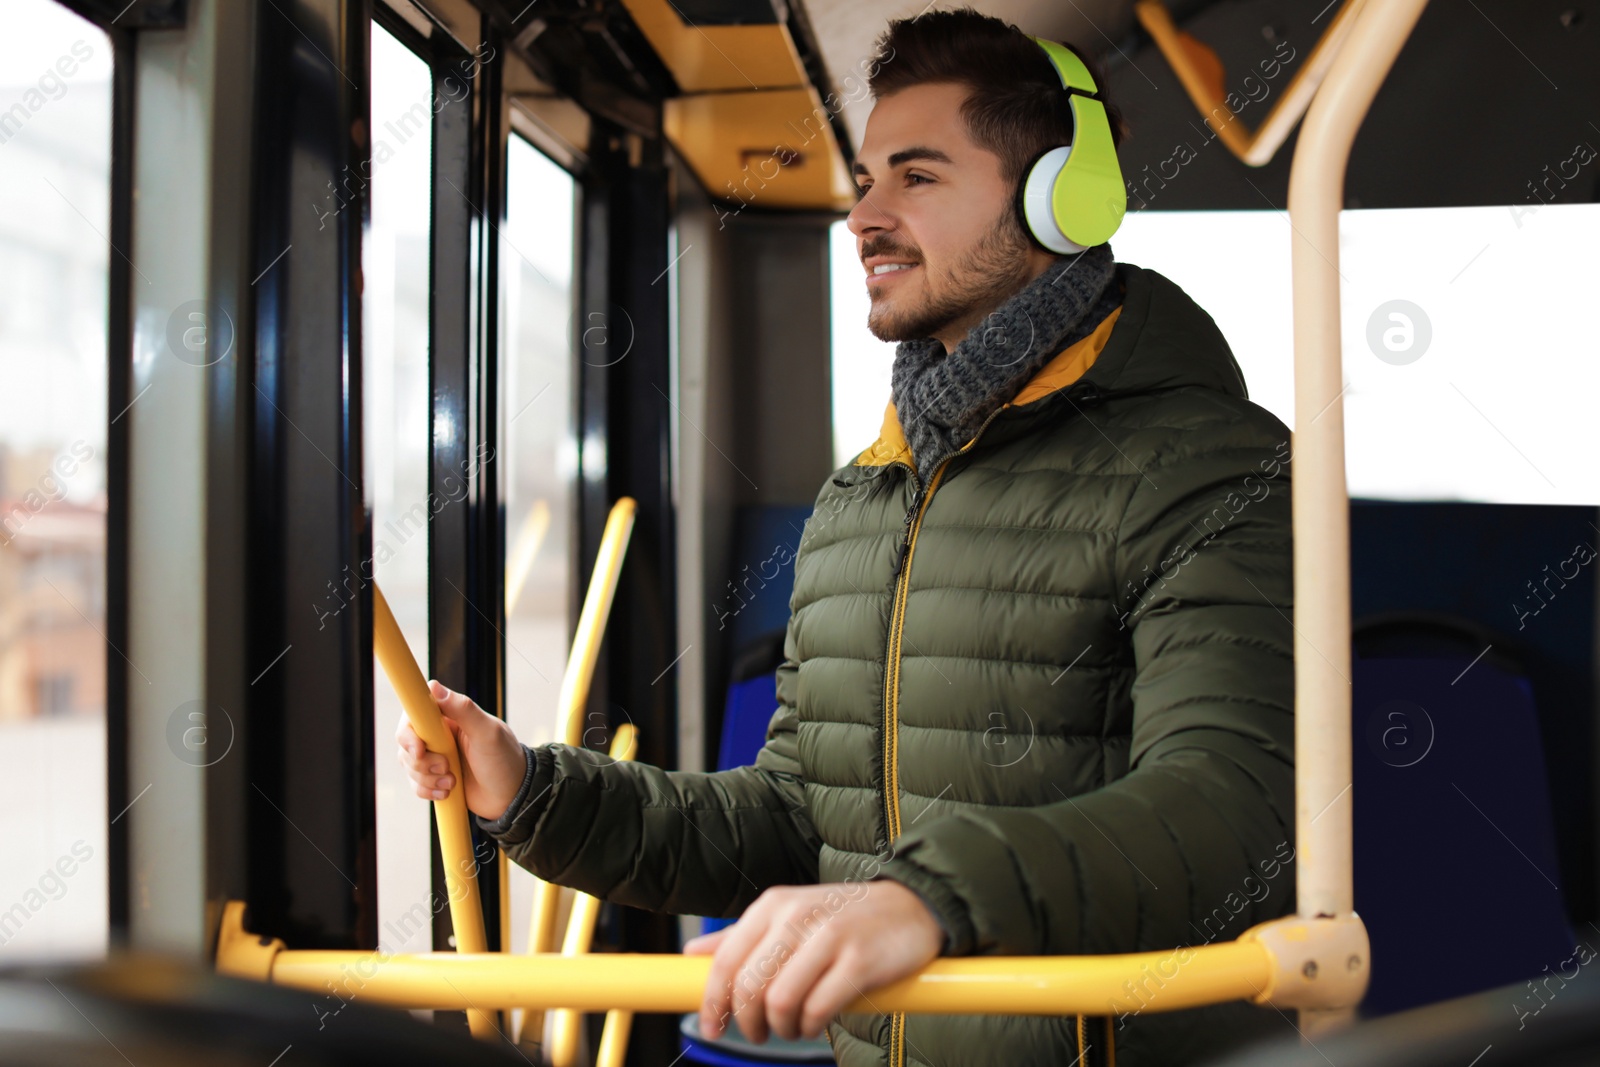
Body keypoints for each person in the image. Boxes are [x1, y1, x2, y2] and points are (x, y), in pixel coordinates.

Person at [398, 8, 1295, 1065]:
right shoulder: (862, 497)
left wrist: (930, 895)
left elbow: (1230, 804)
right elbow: (788, 819)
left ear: (1063, 200)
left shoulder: (1205, 462)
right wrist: (536, 792)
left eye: (915, 177)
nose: (864, 217)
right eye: (864, 180)